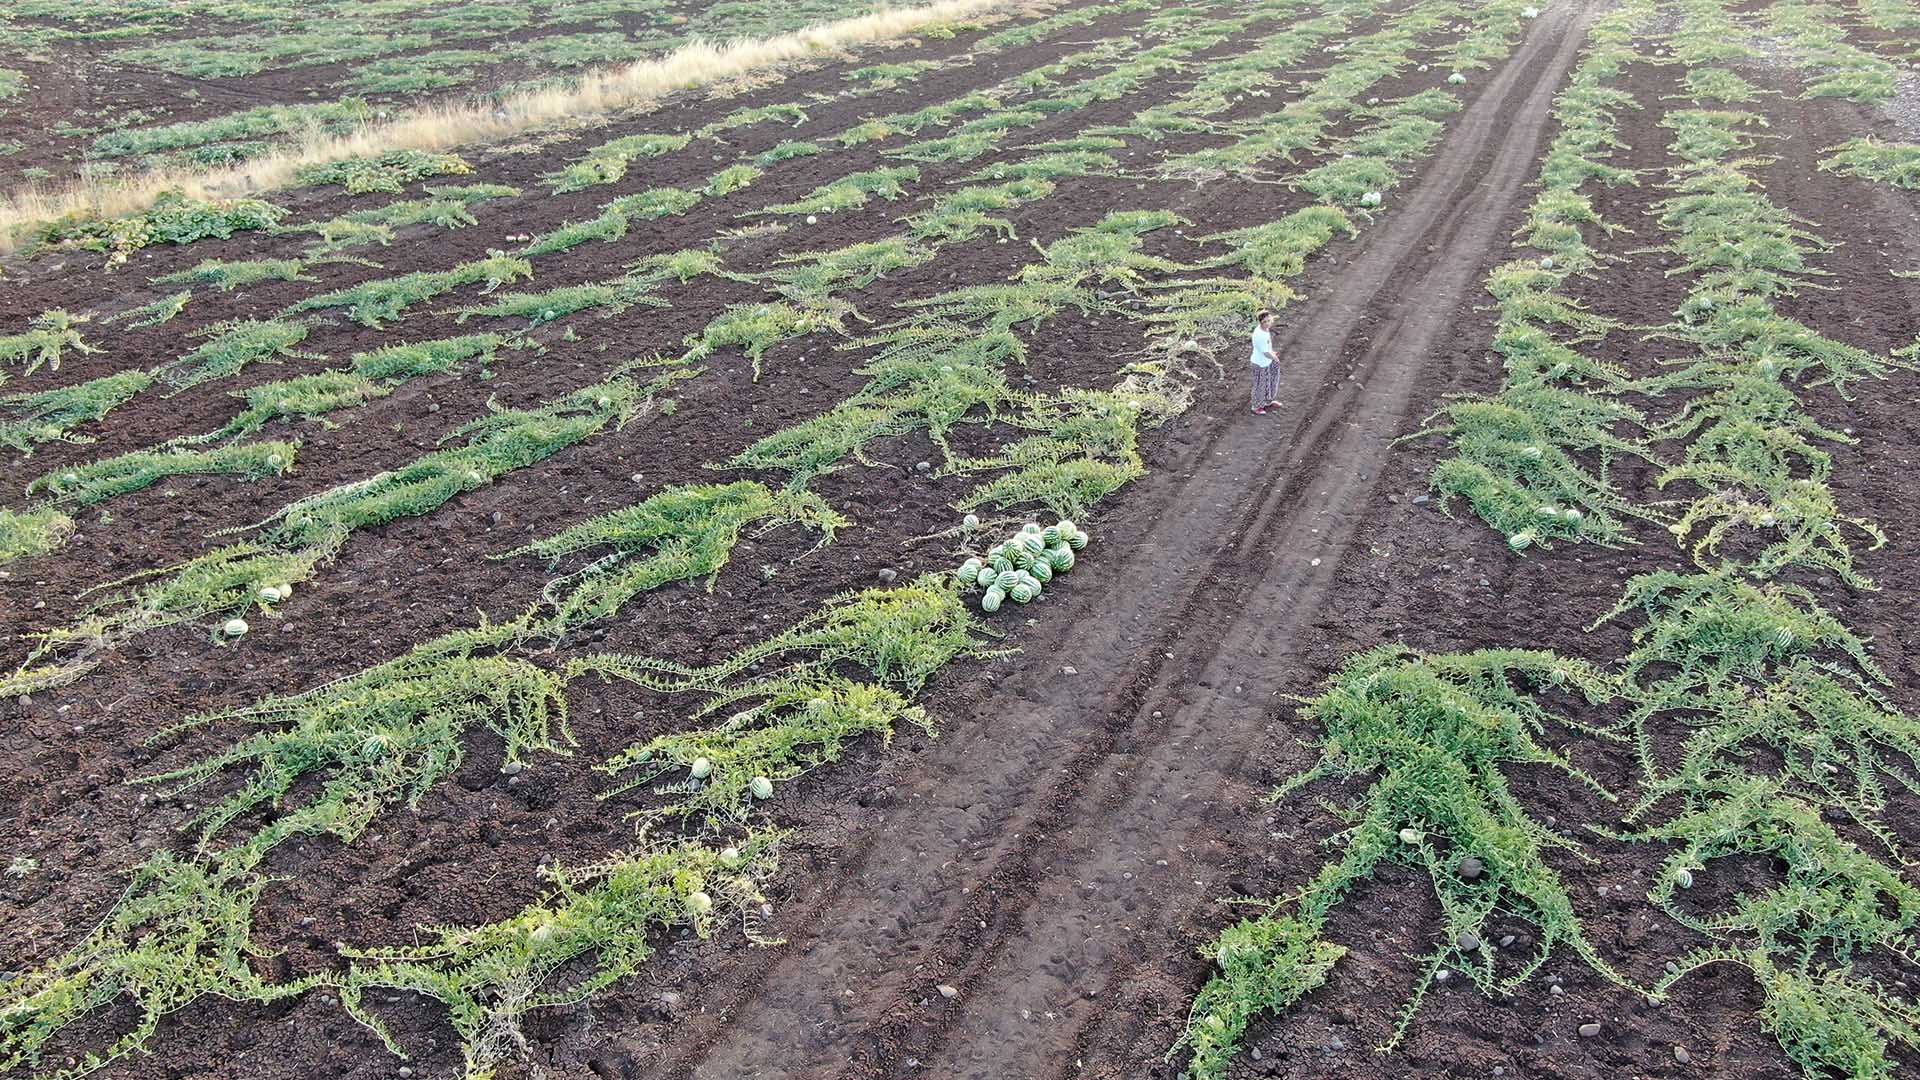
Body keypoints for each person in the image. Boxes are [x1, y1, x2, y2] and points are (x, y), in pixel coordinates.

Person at [1248, 309, 1281, 414]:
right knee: (1260, 385)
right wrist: (1274, 357)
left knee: (1270, 381)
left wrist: (1272, 353)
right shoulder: (1259, 335)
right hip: (1260, 363)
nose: (1267, 323)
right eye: (1265, 322)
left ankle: (1268, 401)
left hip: (1267, 361)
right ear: (1260, 322)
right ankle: (1256, 406)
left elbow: (1267, 348)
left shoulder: (1265, 330)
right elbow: (1265, 352)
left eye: (1269, 320)